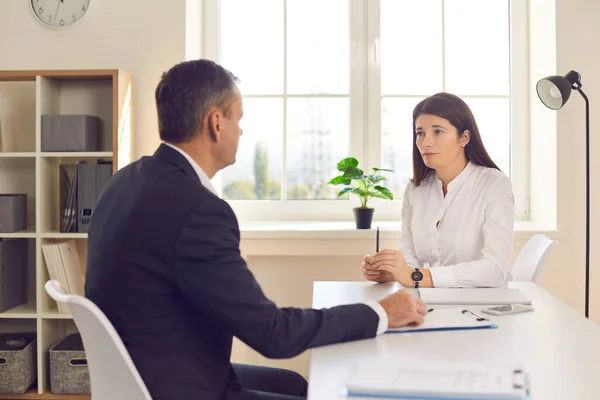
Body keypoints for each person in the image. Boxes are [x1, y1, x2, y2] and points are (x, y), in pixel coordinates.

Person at [84, 59, 428, 400]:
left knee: (298, 385)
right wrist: (380, 312)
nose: (241, 131)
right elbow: (273, 334)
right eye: (238, 118)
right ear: (216, 122)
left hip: (150, 373)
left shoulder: (125, 181)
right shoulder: (198, 211)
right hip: (181, 387)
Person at [363, 92, 514, 289]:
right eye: (420, 133)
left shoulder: (494, 185)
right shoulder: (416, 190)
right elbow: (411, 261)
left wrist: (417, 277)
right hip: (431, 301)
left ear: (464, 138)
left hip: (483, 305)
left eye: (438, 132)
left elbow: (495, 270)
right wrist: (391, 272)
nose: (426, 142)